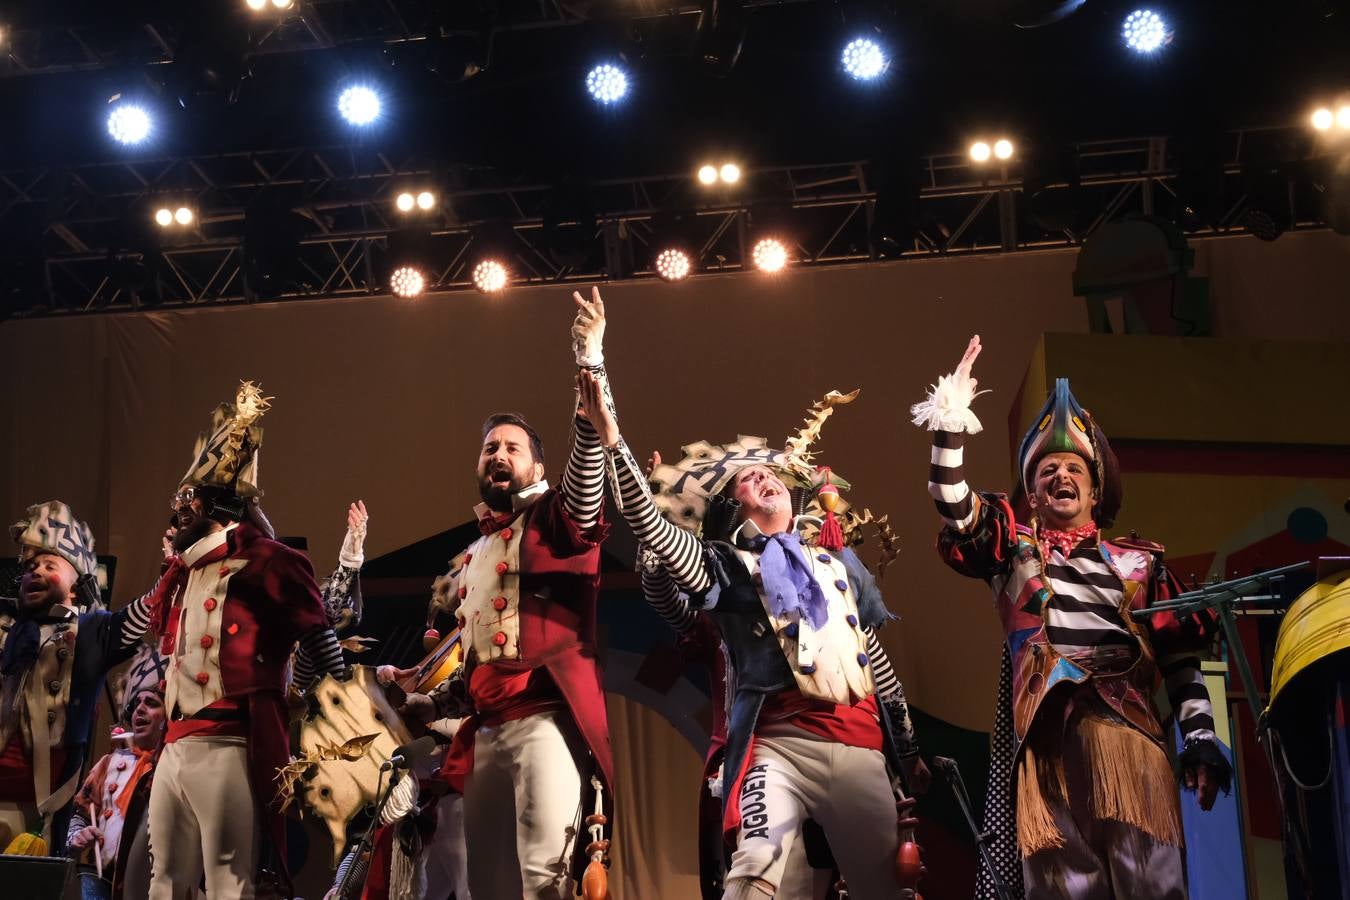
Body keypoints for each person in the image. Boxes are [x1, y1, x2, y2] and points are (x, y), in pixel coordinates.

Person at [575, 289, 921, 900]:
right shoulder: (730, 569)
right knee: (754, 870)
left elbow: (873, 658)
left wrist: (908, 743)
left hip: (859, 743)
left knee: (882, 886)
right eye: (745, 479)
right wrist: (613, 433)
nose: (759, 474)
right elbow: (651, 532)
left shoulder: (840, 565)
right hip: (777, 745)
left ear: (795, 498)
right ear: (735, 509)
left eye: (769, 473)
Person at [911, 335, 1231, 899]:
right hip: (1045, 744)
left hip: (1127, 736)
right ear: (1030, 495)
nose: (1062, 475)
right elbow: (953, 502)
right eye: (1047, 469)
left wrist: (1201, 736)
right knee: (1062, 889)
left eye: (1073, 467)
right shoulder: (1013, 550)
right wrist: (952, 415)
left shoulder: (1138, 561)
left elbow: (1179, 656)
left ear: (1094, 486)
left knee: (1151, 883)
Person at [398, 288, 613, 899]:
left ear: (537, 469)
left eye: (512, 448)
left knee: (545, 874)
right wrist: (435, 706)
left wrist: (587, 356)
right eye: (491, 447)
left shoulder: (557, 517)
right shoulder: (477, 553)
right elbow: (481, 657)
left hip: (546, 719)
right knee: (487, 884)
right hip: (487, 729)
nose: (499, 455)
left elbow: (588, 469)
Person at [145, 381, 347, 900]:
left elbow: (321, 641)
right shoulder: (183, 573)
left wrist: (343, 700)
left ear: (214, 500)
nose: (177, 510)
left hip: (229, 745)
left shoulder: (267, 560)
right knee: (162, 885)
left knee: (227, 887)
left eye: (186, 498)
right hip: (174, 747)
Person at [0, 501, 168, 852]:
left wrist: (173, 568)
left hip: (39, 811)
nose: (36, 572)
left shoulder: (91, 632)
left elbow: (143, 612)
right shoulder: (6, 630)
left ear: (76, 588)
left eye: (50, 565)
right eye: (30, 567)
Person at [67, 648, 168, 900]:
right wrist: (78, 834)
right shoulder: (108, 763)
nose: (139, 710)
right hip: (100, 877)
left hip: (154, 884)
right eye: (136, 704)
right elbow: (79, 814)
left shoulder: (175, 765)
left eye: (152, 703)